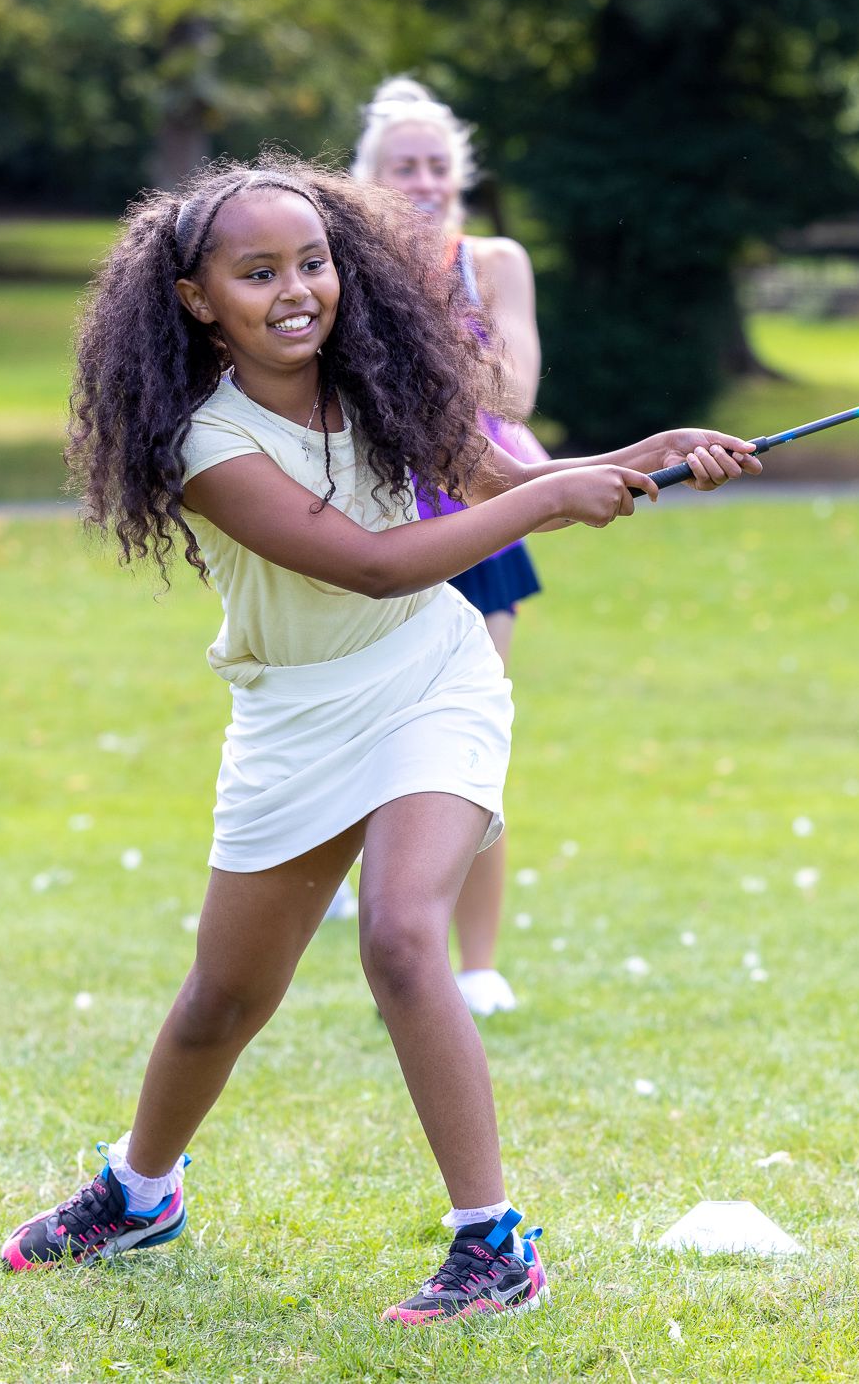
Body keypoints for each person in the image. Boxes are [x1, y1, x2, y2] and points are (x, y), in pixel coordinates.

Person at [0, 157, 759, 1323]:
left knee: (404, 934)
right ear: (196, 297)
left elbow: (494, 475)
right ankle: (139, 1189)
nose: (296, 289)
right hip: (294, 713)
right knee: (221, 997)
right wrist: (555, 501)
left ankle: (490, 1242)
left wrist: (642, 452)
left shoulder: (378, 375)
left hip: (428, 672)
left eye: (313, 261)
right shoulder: (204, 444)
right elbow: (367, 557)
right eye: (258, 273)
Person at [352, 75, 544, 1017]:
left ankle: (479, 962)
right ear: (368, 178)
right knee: (372, 736)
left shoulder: (495, 262)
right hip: (376, 521)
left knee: (472, 738)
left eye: (436, 164)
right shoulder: (340, 262)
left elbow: (511, 398)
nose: (422, 181)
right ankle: (391, 927)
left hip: (482, 520)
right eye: (403, 167)